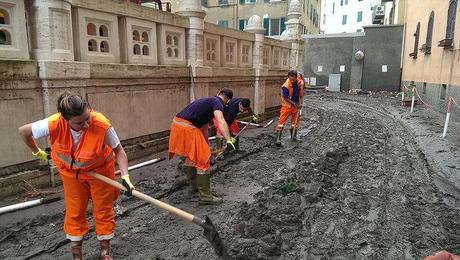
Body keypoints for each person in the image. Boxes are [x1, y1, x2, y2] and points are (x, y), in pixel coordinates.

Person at [18, 92, 135, 260]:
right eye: (79, 122)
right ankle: (76, 253)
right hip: (71, 174)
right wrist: (37, 152)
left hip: (100, 171)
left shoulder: (101, 124)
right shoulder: (54, 124)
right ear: (65, 120)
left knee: (103, 208)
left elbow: (119, 151)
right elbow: (24, 131)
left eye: (88, 118)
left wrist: (126, 176)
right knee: (75, 210)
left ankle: (105, 250)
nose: (87, 124)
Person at [168, 89, 237, 205]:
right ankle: (205, 196)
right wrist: (229, 140)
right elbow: (221, 120)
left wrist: (206, 146)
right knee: (202, 161)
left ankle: (193, 187)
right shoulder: (218, 102)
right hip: (188, 128)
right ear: (227, 100)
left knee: (192, 157)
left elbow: (204, 129)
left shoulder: (207, 102)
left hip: (177, 125)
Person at [275, 70, 304, 145]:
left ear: (296, 77)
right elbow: (285, 97)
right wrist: (294, 103)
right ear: (288, 77)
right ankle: (278, 139)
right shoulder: (286, 86)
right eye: (291, 79)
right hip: (287, 105)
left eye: (293, 79)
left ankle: (294, 136)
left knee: (295, 122)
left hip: (296, 105)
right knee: (281, 122)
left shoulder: (299, 81)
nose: (292, 80)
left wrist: (300, 103)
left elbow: (301, 92)